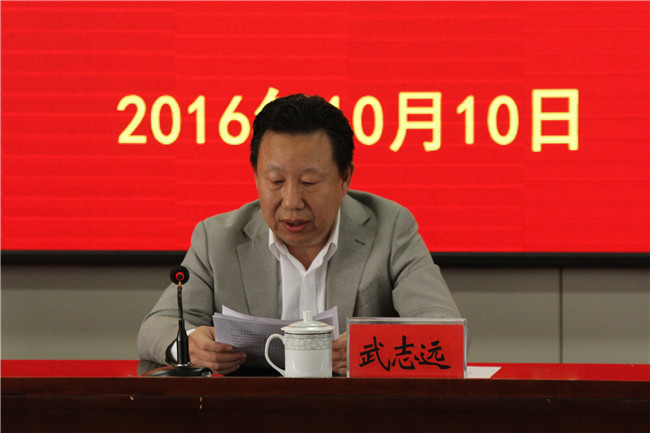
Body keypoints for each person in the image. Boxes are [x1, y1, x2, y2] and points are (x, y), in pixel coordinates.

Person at [137, 94, 461, 375]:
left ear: (345, 178)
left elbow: (448, 332)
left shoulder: (390, 228)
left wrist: (371, 348)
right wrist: (191, 345)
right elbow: (157, 326)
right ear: (256, 176)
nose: (291, 201)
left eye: (309, 183)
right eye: (275, 182)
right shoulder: (217, 238)